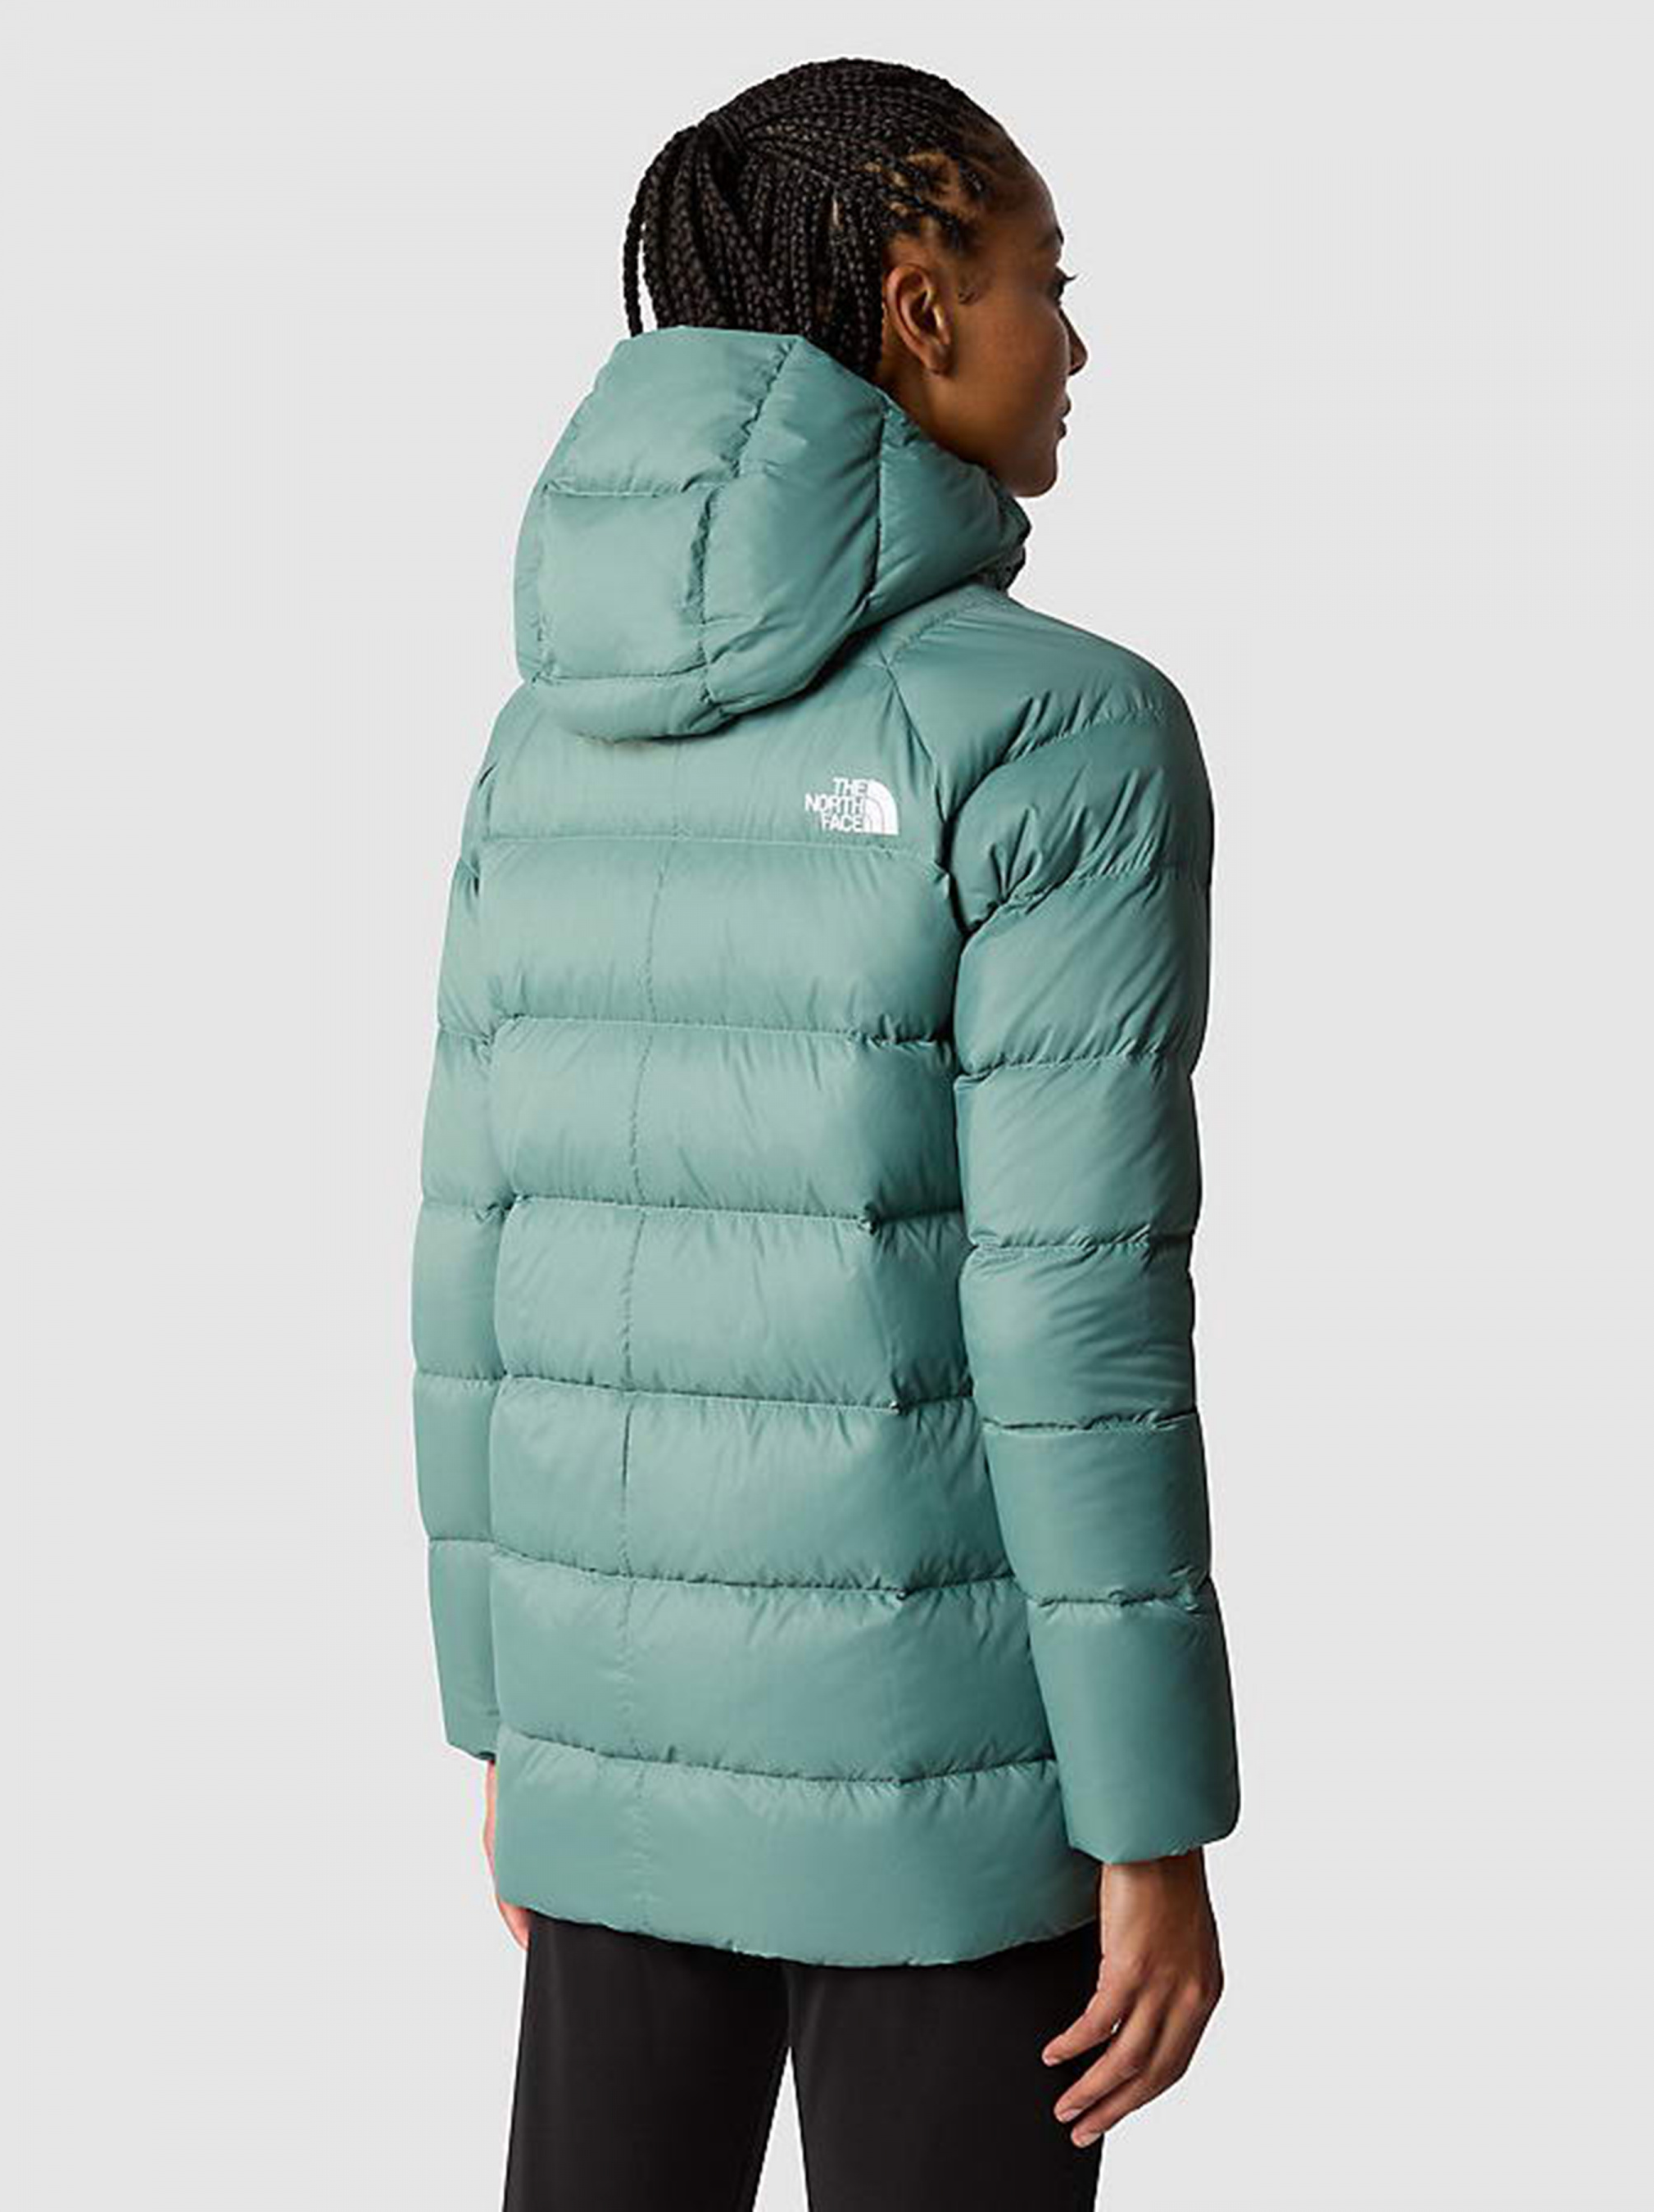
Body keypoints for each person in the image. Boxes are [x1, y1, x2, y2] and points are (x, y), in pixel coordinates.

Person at [410, 55, 1240, 2211]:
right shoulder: (1059, 727)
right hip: (947, 1790)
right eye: (1047, 280)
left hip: (609, 1741)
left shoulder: (538, 740)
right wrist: (1154, 1822)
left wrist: (510, 1730)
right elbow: (1072, 1315)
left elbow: (470, 1253)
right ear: (917, 306)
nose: (1076, 342)